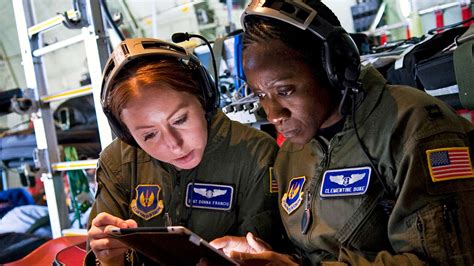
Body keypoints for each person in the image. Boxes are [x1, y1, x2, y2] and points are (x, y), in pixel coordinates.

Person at [210, 0, 474, 265]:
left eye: (285, 91)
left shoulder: (414, 126)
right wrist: (269, 257)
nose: (273, 114)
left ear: (333, 68)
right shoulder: (291, 154)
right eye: (261, 95)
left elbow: (447, 260)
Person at [86, 38, 282, 265]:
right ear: (127, 135)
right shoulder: (117, 161)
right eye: (149, 135)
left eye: (180, 120)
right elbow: (103, 254)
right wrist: (110, 259)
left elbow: (266, 255)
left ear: (204, 98)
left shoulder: (255, 154)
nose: (174, 144)